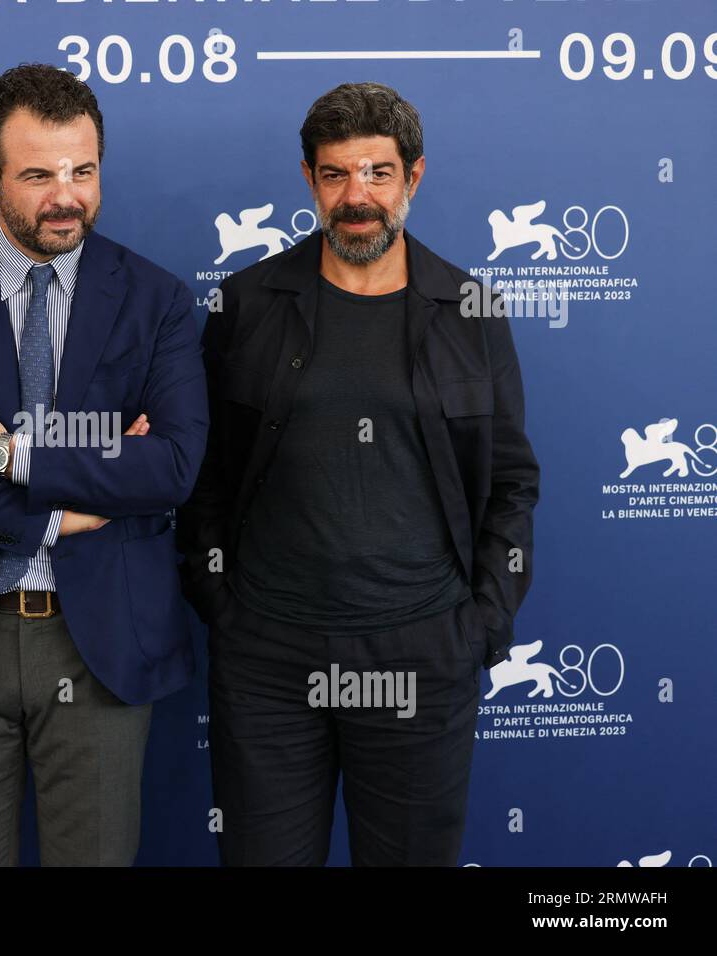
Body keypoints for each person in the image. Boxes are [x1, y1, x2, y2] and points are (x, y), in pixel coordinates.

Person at [177, 82, 539, 866]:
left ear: (413, 177)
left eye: (377, 173)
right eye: (337, 174)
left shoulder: (472, 309)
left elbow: (512, 482)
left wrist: (481, 622)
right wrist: (220, 603)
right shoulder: (245, 305)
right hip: (269, 659)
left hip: (422, 652)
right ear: (309, 180)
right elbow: (202, 471)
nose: (357, 197)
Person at [0, 64, 208, 866]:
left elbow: (172, 465)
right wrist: (53, 512)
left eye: (83, 171)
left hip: (101, 649)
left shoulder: (155, 299)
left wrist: (7, 452)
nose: (66, 195)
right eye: (39, 174)